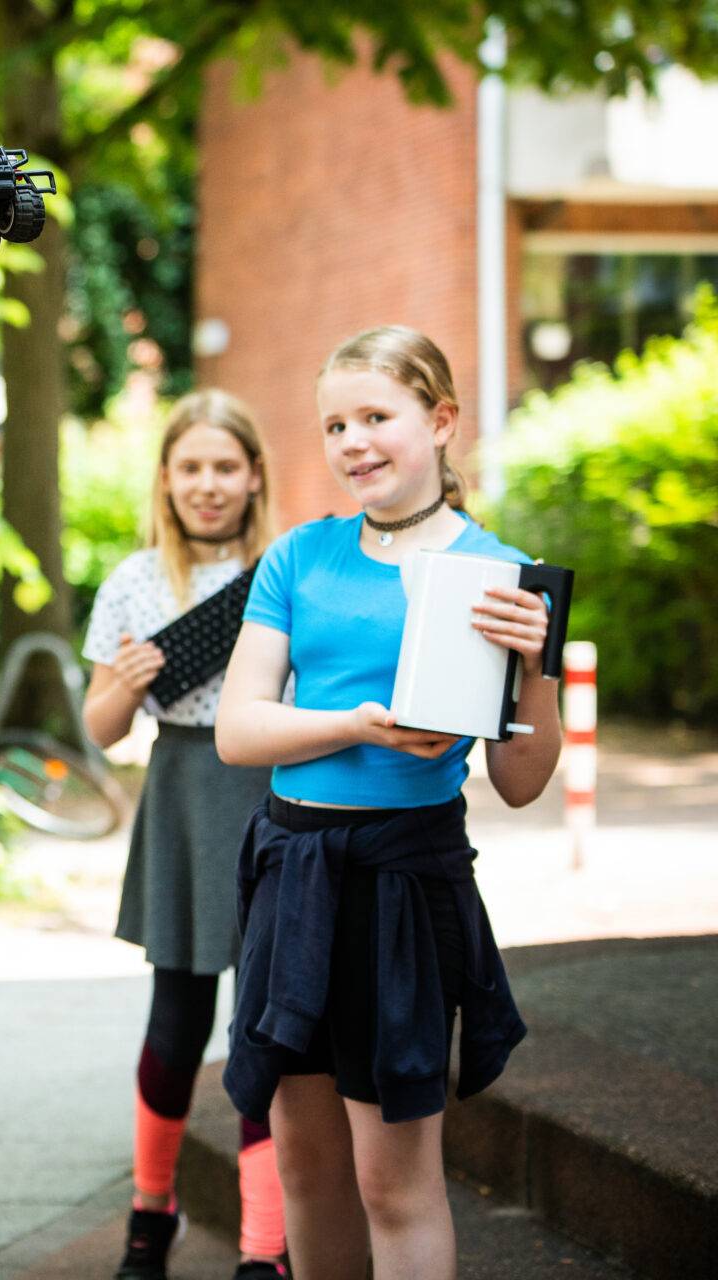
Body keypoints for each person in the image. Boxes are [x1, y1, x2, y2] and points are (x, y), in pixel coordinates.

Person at [215, 326, 561, 1280]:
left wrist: (538, 670)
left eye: (377, 416)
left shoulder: (500, 575)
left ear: (440, 421)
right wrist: (358, 725)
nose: (353, 442)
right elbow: (240, 731)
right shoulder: (300, 557)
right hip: (291, 874)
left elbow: (523, 784)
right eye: (335, 424)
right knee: (306, 1165)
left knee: (393, 1182)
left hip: (403, 885)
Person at [80, 390, 287, 1279]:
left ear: (253, 478)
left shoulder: (289, 569)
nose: (208, 484)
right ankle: (149, 1215)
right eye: (191, 467)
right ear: (165, 478)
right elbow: (99, 729)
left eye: (225, 468)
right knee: (176, 1020)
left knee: (266, 1028)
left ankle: (264, 1246)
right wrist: (125, 684)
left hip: (274, 795)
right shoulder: (134, 580)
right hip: (181, 792)